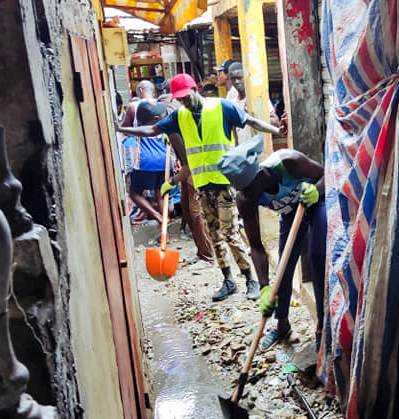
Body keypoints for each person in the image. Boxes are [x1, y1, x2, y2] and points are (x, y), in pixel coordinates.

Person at [116, 73, 281, 302]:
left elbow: (251, 121)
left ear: (196, 89)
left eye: (187, 97)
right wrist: (122, 130)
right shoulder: (179, 116)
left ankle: (250, 280)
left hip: (225, 181)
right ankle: (228, 280)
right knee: (214, 234)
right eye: (180, 99)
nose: (184, 101)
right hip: (202, 184)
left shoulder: (221, 107)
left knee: (230, 233)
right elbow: (152, 130)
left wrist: (276, 131)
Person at [217, 135, 326, 352]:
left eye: (249, 189)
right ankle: (282, 326)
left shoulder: (289, 162)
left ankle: (323, 329)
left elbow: (327, 174)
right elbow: (256, 247)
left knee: (318, 256)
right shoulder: (245, 198)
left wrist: (317, 191)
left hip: (316, 201)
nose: (246, 195)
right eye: (242, 191)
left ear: (260, 175)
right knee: (283, 270)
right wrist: (264, 287)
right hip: (290, 214)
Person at [227, 62, 281, 143]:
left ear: (246, 77)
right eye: (233, 79)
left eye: (239, 78)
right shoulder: (232, 104)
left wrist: (254, 117)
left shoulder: (258, 99)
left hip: (259, 148)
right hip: (243, 148)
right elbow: (235, 132)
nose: (236, 82)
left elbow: (276, 123)